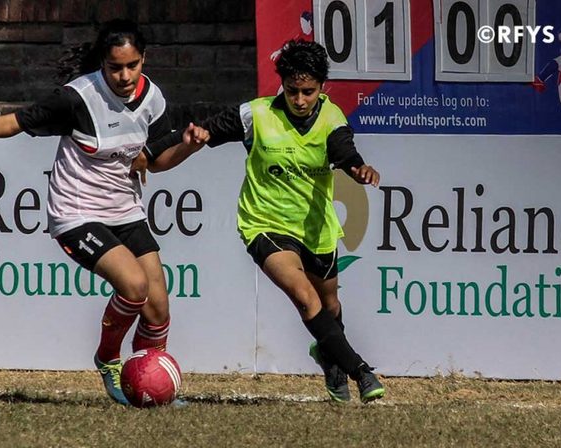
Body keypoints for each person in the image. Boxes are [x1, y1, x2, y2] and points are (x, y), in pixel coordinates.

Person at [0, 19, 208, 405]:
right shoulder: (78, 98)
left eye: (132, 65)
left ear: (144, 60)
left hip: (125, 210)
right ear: (102, 65)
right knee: (135, 287)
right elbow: (14, 122)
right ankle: (108, 359)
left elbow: (153, 162)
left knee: (158, 308)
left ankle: (148, 388)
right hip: (76, 213)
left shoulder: (153, 98)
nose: (124, 75)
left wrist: (188, 146)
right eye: (114, 67)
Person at [140, 39, 386, 403]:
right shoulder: (256, 115)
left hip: (315, 228)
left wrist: (358, 168)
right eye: (292, 91)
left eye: (308, 92)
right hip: (264, 224)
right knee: (304, 298)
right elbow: (203, 129)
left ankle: (330, 356)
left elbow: (344, 151)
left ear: (323, 88)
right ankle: (361, 371)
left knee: (329, 306)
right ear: (281, 85)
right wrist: (160, 149)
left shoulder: (333, 119)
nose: (300, 100)